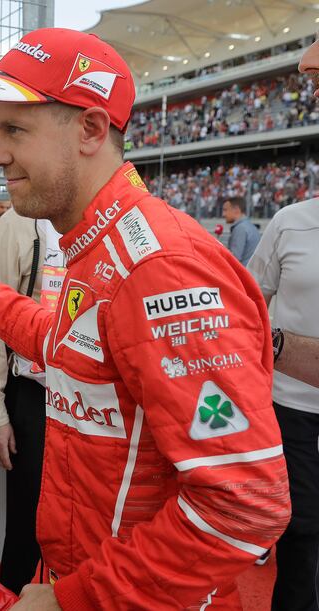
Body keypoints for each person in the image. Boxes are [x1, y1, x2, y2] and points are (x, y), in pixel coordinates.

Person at [0, 27, 290, 610]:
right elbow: (57, 341)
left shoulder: (162, 269)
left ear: (90, 129)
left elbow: (245, 504)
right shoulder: (97, 248)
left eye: (14, 130)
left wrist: (75, 597)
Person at [248, 65, 319, 607]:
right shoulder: (289, 222)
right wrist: (279, 349)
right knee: (300, 537)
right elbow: (249, 305)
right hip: (292, 410)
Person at [0, 205, 64, 594]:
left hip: (103, 406)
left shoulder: (121, 219)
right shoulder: (20, 224)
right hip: (36, 399)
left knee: (97, 533)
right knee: (26, 533)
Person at [222, 197, 260, 266]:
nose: (223, 214)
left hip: (244, 273)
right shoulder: (249, 226)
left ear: (236, 209)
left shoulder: (240, 228)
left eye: (225, 210)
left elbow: (234, 259)